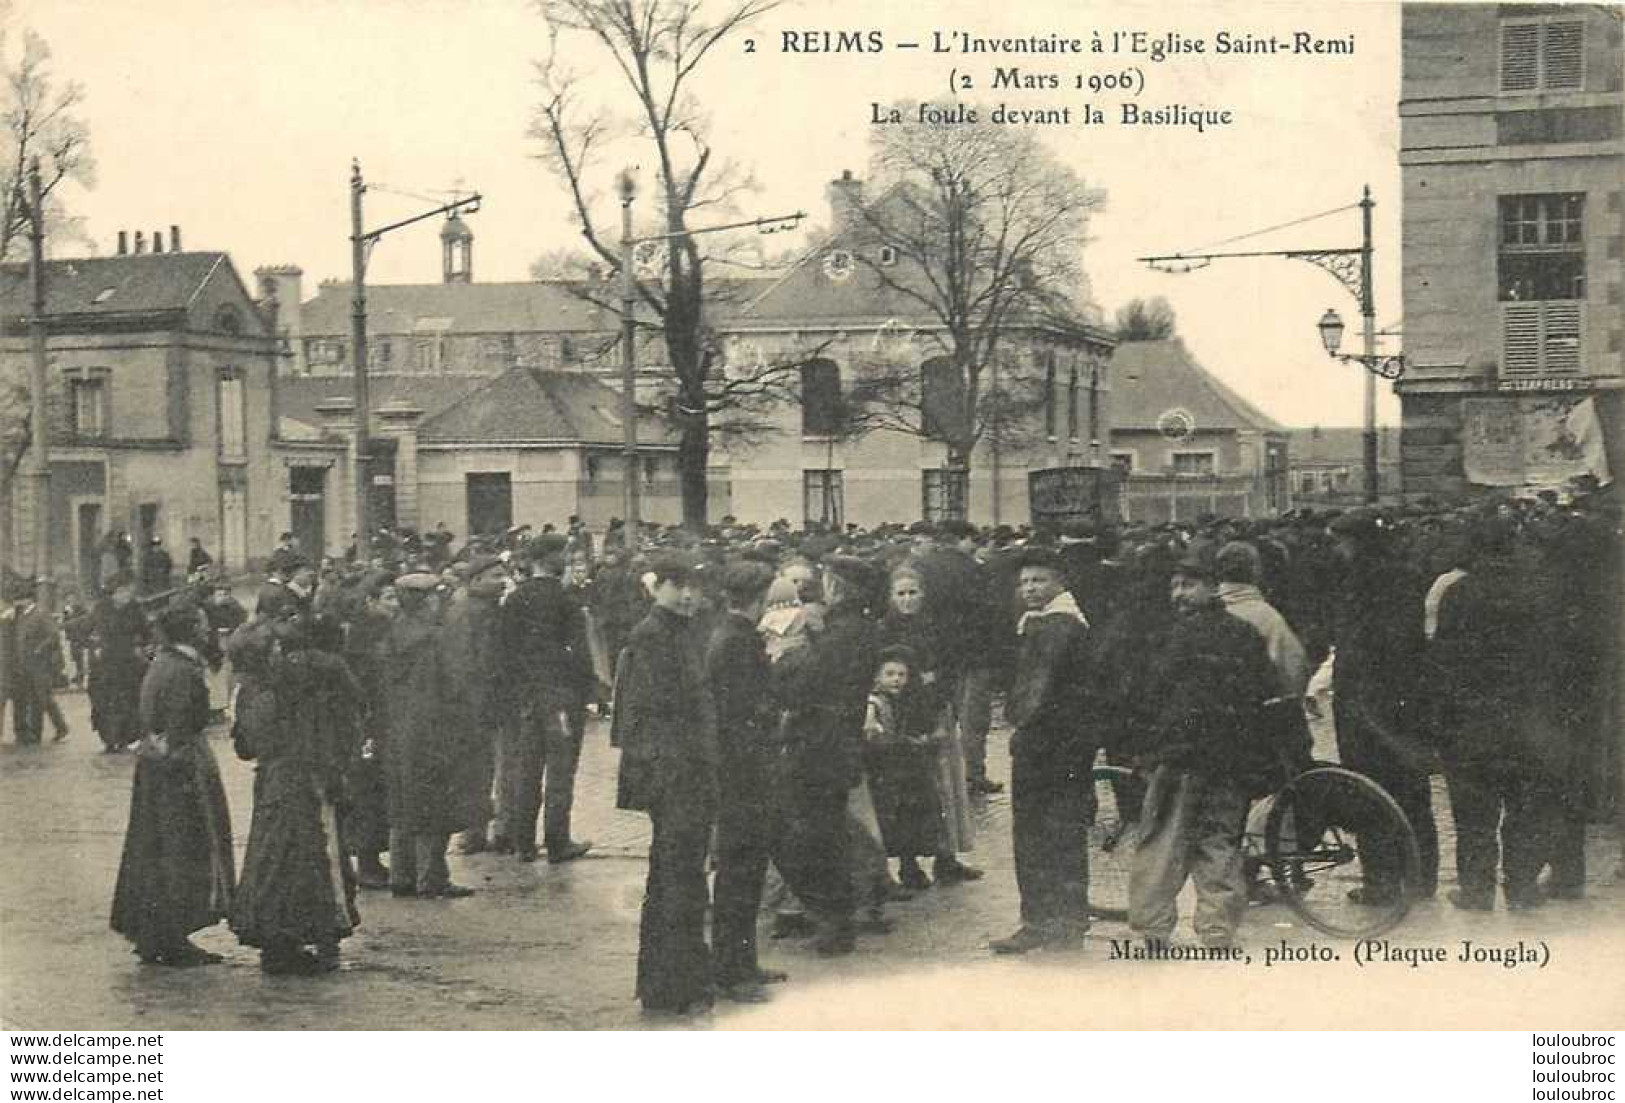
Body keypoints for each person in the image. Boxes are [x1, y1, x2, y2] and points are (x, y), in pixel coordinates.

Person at [1127, 545, 1280, 951]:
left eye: (1188, 585)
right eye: (1174, 586)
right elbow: (1266, 692)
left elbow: (1151, 698)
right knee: (1220, 844)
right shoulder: (1244, 634)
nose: (1178, 593)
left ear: (1213, 588)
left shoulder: (1170, 637)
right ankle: (1217, 931)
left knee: (1163, 843)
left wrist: (1147, 749)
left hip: (1180, 759)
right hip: (1230, 760)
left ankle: (1155, 930)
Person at [1430, 516, 1566, 911]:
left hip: (1471, 720)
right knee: (1526, 806)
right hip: (1527, 717)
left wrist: (1442, 718)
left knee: (1474, 813)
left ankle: (1476, 891)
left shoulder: (1459, 593)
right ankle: (1522, 886)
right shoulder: (1537, 591)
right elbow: (1553, 657)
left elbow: (1443, 659)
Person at [611, 555, 719, 1014]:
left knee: (681, 877)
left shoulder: (678, 632)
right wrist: (674, 774)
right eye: (678, 585)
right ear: (658, 588)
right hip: (675, 776)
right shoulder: (653, 637)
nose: (688, 594)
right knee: (677, 878)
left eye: (695, 586)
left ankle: (680, 979)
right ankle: (670, 984)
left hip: (684, 773)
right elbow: (650, 717)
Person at [230, 614, 364, 973]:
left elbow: (244, 747)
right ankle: (287, 939)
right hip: (294, 780)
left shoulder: (249, 691)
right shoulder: (275, 693)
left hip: (274, 780)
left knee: (277, 860)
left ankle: (283, 937)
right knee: (296, 859)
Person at [110, 604, 235, 966]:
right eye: (203, 623)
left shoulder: (162, 663)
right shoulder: (184, 671)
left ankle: (153, 933)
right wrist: (183, 767)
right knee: (183, 851)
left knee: (152, 850)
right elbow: (181, 726)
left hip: (155, 767)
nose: (208, 630)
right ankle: (174, 935)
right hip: (180, 769)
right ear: (192, 631)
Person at [1328, 508, 1439, 904]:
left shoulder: (1361, 581)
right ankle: (1423, 878)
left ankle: (1382, 882)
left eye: (1341, 542)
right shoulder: (1406, 574)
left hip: (1367, 706)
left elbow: (1363, 647)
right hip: (1403, 703)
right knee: (1412, 790)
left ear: (1357, 542)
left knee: (1370, 792)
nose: (1338, 550)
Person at [772, 555, 876, 957]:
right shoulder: (855, 628)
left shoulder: (842, 634)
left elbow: (803, 687)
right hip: (834, 746)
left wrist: (786, 655)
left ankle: (833, 918)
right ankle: (836, 915)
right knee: (826, 831)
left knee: (816, 835)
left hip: (820, 748)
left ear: (838, 587)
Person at [991, 549, 1093, 954]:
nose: (1030, 588)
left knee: (1036, 834)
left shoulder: (1053, 627)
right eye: (1025, 582)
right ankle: (1068, 921)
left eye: (1039, 580)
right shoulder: (1061, 622)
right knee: (1063, 833)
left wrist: (1016, 718)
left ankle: (1041, 922)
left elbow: (1034, 692)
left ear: (1059, 584)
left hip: (1046, 745)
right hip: (1069, 744)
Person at [706, 560, 789, 1002]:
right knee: (739, 875)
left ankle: (743, 964)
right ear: (759, 599)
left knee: (745, 873)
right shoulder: (737, 643)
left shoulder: (732, 635)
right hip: (742, 775)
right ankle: (731, 972)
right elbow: (744, 711)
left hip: (742, 772)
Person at [495, 535, 595, 863]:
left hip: (526, 699)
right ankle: (557, 841)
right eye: (563, 555)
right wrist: (583, 692)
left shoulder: (514, 599)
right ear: (551, 558)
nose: (567, 560)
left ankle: (523, 841)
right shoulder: (566, 600)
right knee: (560, 771)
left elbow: (504, 653)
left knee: (527, 769)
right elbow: (580, 656)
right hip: (561, 697)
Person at [379, 573, 475, 898]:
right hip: (434, 729)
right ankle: (432, 877)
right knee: (435, 804)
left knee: (403, 802)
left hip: (398, 729)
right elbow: (454, 686)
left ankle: (401, 875)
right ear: (426, 600)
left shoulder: (393, 633)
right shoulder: (435, 639)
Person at [89, 574, 151, 753]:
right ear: (113, 593)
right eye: (122, 591)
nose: (126, 595)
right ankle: (109, 739)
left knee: (129, 701)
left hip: (129, 663)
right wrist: (94, 645)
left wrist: (143, 648)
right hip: (105, 664)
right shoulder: (101, 609)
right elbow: (86, 631)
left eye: (128, 591)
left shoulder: (135, 609)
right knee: (105, 701)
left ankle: (127, 738)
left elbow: (147, 633)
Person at [3, 579, 69, 744]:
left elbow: (53, 635)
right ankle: (32, 732)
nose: (17, 603)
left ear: (28, 599)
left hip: (39, 664)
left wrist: (40, 649)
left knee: (44, 697)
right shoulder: (19, 615)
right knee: (31, 698)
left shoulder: (40, 614)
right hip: (24, 665)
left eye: (20, 599)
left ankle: (61, 727)